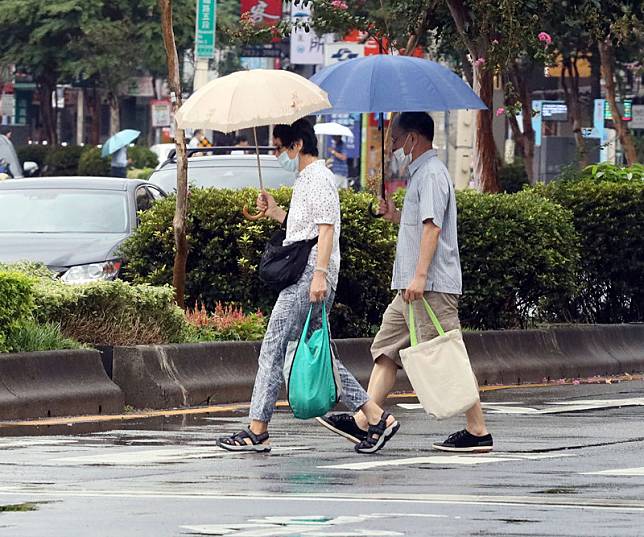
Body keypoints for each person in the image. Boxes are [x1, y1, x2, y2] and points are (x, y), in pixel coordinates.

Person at [217, 118, 399, 455]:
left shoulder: (318, 177)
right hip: (310, 275)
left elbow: (327, 230)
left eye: (278, 147)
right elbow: (306, 229)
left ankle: (258, 430)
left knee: (273, 345)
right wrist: (274, 212)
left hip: (308, 277)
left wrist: (318, 276)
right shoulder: (308, 178)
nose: (276, 155)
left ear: (297, 145)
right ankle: (376, 417)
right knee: (317, 353)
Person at [317, 112, 494, 453]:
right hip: (411, 289)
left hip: (429, 289)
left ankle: (477, 430)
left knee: (449, 356)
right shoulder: (422, 176)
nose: (394, 147)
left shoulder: (431, 174)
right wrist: (394, 216)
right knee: (386, 350)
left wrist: (421, 276)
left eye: (396, 140)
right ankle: (366, 421)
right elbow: (419, 225)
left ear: (414, 138)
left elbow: (432, 228)